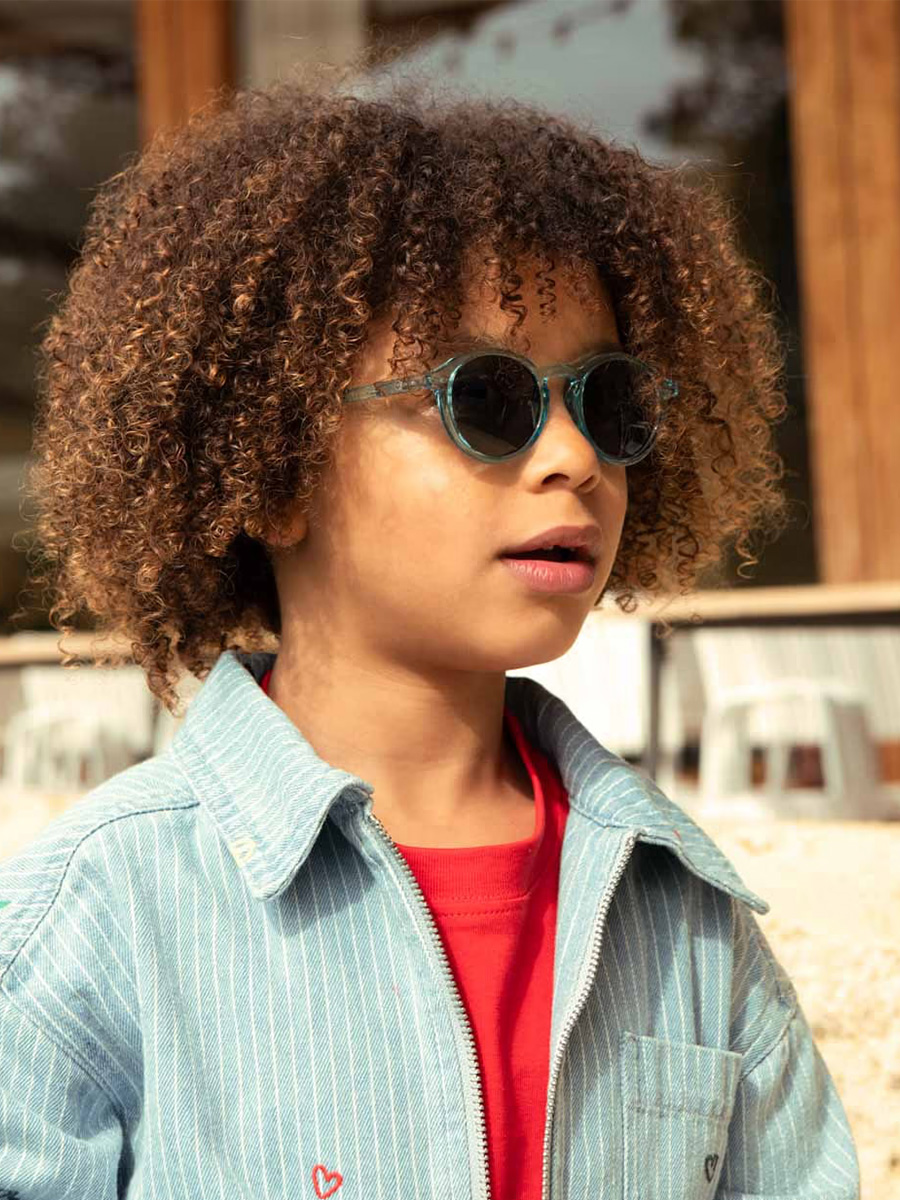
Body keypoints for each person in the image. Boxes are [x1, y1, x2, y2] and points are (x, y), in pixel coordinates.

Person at [0, 57, 859, 1200]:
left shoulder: (688, 917)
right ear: (273, 468)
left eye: (606, 402)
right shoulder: (90, 926)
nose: (574, 457)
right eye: (487, 399)